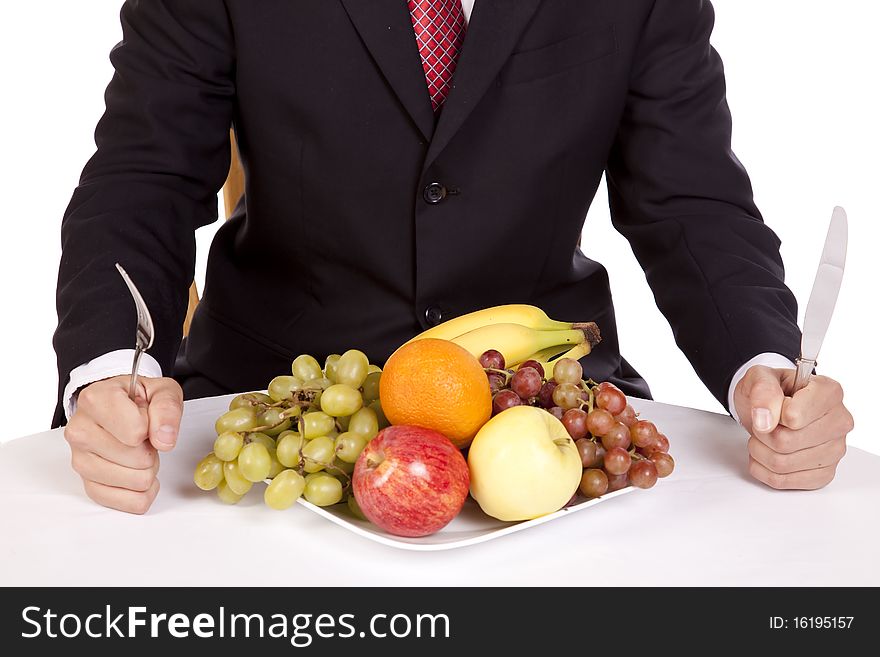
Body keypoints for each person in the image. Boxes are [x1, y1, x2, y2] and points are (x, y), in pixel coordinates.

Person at [54, 0, 853, 514]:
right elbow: (144, 175)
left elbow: (689, 200)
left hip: (550, 416)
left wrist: (762, 364)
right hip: (277, 417)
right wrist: (102, 367)